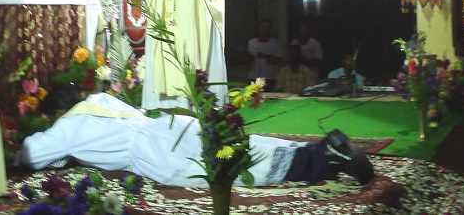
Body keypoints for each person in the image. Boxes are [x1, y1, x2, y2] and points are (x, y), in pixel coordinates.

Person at [20, 93, 374, 187]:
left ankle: (324, 159)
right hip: (170, 126)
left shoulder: (65, 128)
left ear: (56, 113)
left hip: (154, 152)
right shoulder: (98, 99)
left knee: (227, 168)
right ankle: (319, 148)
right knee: (239, 145)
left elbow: (31, 156)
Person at [248, 19, 281, 89]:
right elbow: (249, 58)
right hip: (254, 77)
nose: (265, 29)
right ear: (258, 28)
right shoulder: (251, 42)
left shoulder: (275, 43)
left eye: (267, 27)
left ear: (270, 29)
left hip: (269, 78)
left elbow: (279, 60)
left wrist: (267, 57)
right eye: (263, 27)